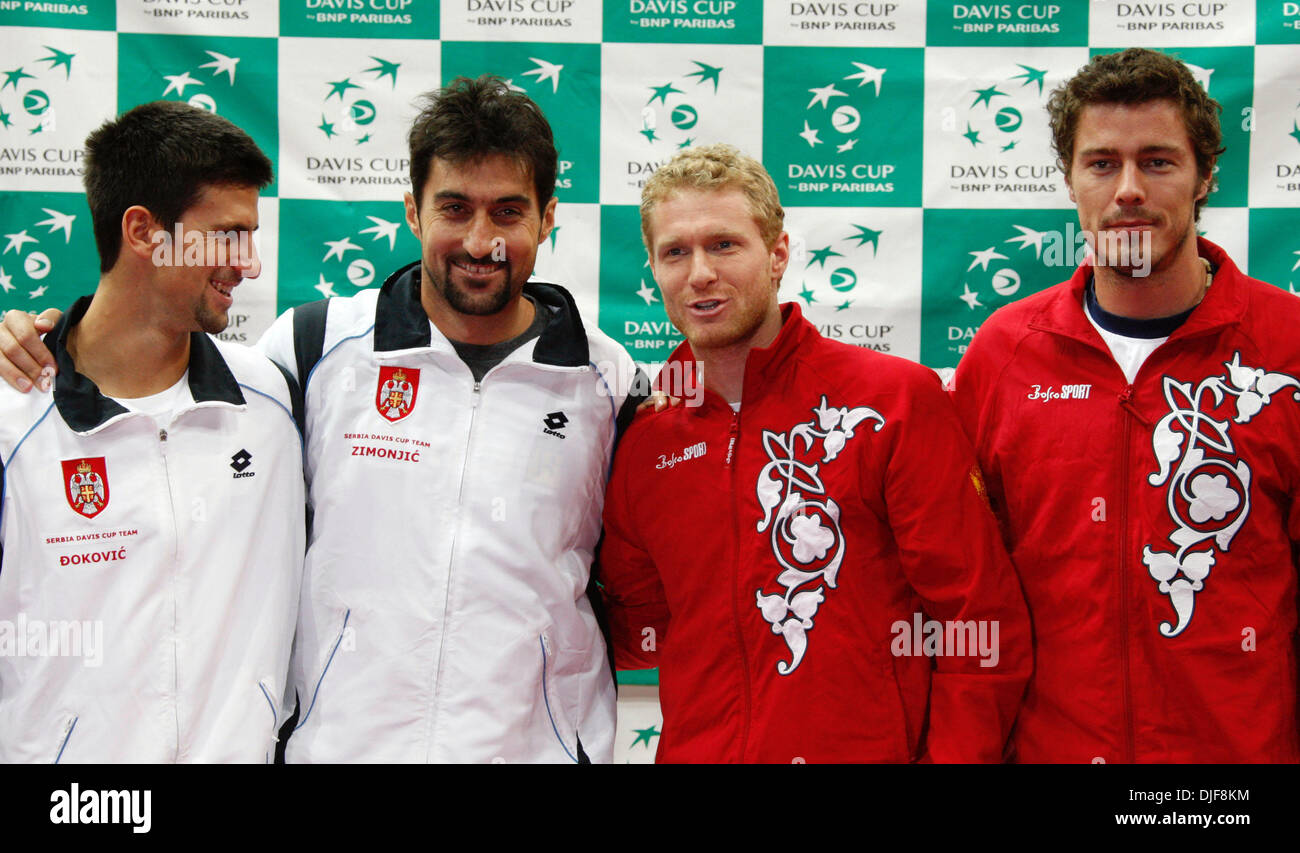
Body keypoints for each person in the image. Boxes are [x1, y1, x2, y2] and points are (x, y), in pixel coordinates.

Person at [0, 77, 642, 763]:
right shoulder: (307, 355)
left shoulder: (611, 381)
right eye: (454, 208)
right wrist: (40, 342)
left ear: (548, 217)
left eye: (508, 212)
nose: (480, 240)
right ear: (412, 211)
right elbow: (138, 366)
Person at [597, 144, 1032, 763]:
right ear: (653, 269)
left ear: (777, 255)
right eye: (676, 252)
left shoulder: (893, 402)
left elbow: (977, 621)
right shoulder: (646, 440)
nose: (699, 274)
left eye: (724, 245)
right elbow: (641, 633)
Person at [949, 48, 1300, 763]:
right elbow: (966, 591)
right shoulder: (1004, 351)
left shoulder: (1287, 345)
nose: (1129, 189)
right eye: (1103, 163)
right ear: (1071, 179)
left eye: (1159, 161)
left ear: (1207, 177)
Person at [0, 101, 304, 762]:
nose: (247, 264)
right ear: (142, 229)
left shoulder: (277, 399)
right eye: (228, 235)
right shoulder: (12, 417)